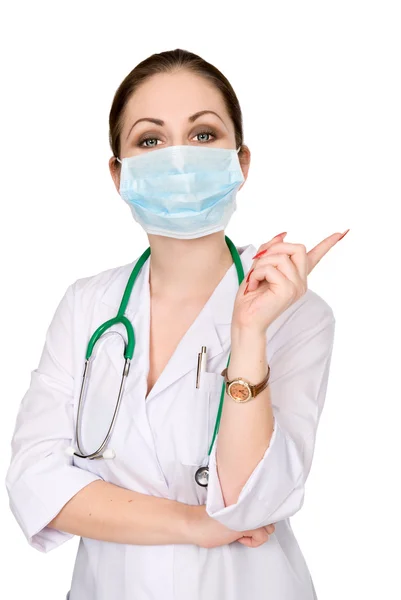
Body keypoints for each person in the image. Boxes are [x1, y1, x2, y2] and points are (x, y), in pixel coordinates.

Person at [5, 48, 348, 600]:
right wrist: (195, 525)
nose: (180, 160)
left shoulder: (296, 312)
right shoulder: (87, 306)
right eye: (150, 140)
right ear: (118, 174)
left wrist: (247, 334)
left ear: (241, 162)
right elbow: (35, 484)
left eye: (204, 135)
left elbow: (252, 500)